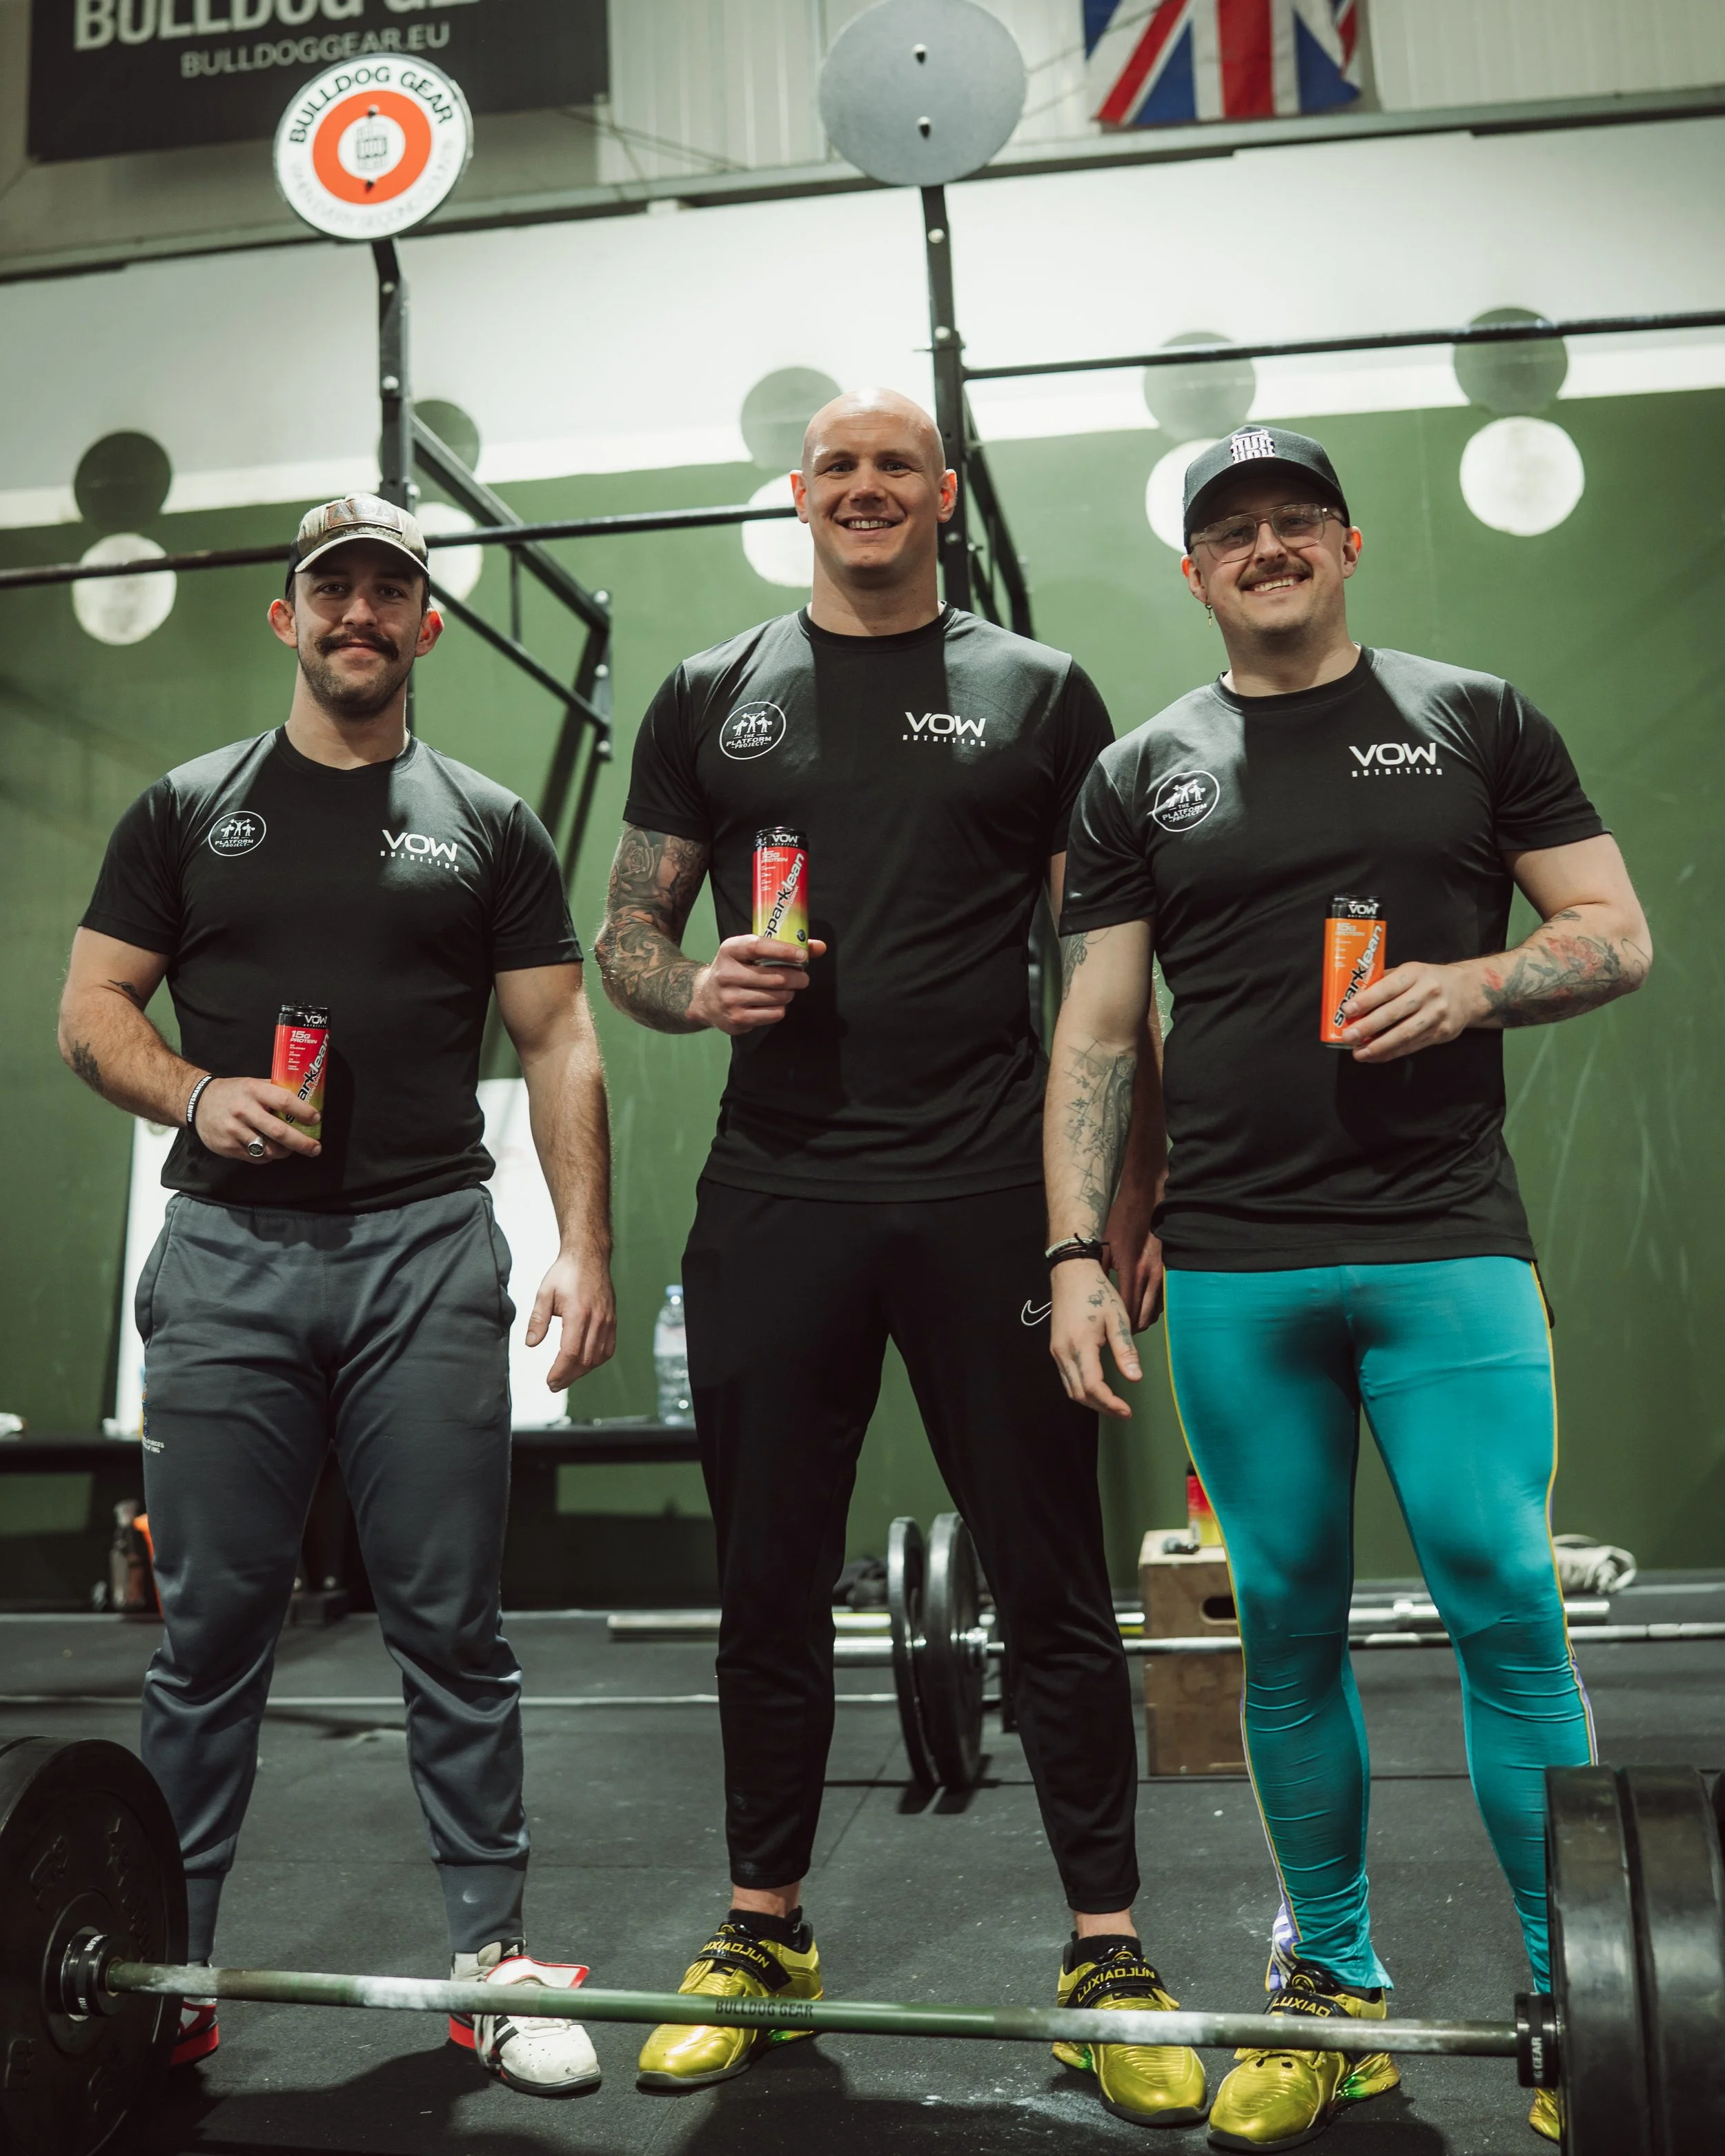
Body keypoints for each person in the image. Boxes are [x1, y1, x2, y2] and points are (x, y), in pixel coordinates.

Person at [593, 388, 1206, 2124]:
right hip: (773, 1193)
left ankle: (1105, 1946)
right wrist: (694, 986)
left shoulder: (1038, 690)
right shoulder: (709, 691)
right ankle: (761, 1930)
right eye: (834, 466)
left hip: (985, 1194)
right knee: (767, 1580)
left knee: (1052, 1585)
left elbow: (1108, 982)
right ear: (796, 495)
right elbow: (628, 932)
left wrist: (1120, 1207)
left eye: (895, 467)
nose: (865, 489)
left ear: (942, 495)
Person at [1043, 425, 1650, 2150]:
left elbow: (1613, 930)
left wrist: (1472, 985)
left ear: (1347, 541)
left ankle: (1571, 1985)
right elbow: (1096, 1030)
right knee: (1284, 1622)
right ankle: (1331, 1988)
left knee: (1500, 1600)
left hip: (1444, 1237)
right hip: (1237, 1260)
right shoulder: (1139, 771)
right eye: (1229, 530)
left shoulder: (1476, 715)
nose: (1264, 546)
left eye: (1292, 518)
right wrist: (1079, 1245)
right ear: (1192, 571)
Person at [59, 494, 617, 2099]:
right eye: (333, 590)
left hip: (428, 1251)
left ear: (426, 623)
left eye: (390, 591)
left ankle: (492, 1958)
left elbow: (560, 1036)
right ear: (284, 618)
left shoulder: (490, 823)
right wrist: (191, 1093)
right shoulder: (186, 810)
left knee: (454, 1625)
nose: (359, 614)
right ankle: (168, 1966)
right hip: (229, 1258)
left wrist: (581, 1243)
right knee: (210, 1632)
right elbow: (92, 1009)